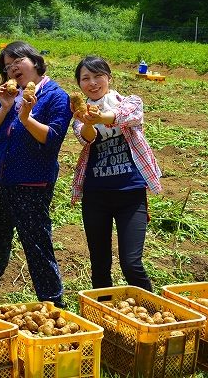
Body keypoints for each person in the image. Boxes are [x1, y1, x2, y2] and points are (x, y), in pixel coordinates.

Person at [0, 41, 73, 310]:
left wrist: (26, 116)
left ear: (35, 62)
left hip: (32, 182)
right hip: (1, 178)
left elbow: (52, 138)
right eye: (7, 67)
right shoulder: (11, 95)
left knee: (36, 242)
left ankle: (53, 302)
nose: (13, 68)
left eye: (18, 60)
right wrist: (6, 107)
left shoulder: (55, 96)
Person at [71, 55, 161, 291]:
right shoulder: (79, 115)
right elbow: (86, 138)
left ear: (109, 78)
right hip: (95, 197)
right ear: (79, 84)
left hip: (130, 195)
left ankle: (151, 310)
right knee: (99, 265)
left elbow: (128, 117)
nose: (92, 83)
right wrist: (89, 121)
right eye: (85, 78)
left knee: (131, 263)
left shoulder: (129, 101)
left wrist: (100, 117)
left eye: (98, 76)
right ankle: (102, 313)